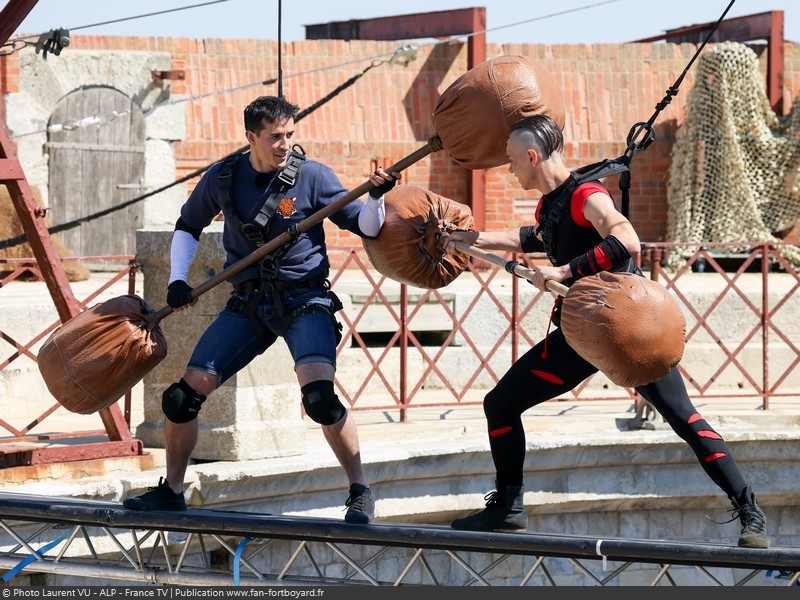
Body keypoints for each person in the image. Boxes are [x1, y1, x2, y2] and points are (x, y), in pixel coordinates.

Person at [441, 114, 769, 549]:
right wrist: (471, 238)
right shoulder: (551, 203)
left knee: (683, 418)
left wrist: (563, 271)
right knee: (500, 405)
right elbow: (534, 238)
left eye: (511, 161)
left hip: (627, 331)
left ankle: (750, 511)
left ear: (533, 156)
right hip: (582, 336)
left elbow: (626, 240)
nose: (509, 168)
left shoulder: (586, 195)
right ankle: (508, 507)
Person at [123, 95, 400, 524]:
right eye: (274, 136)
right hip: (248, 303)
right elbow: (187, 226)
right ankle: (172, 491)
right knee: (181, 398)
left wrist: (378, 198)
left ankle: (359, 490)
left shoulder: (313, 177)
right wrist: (178, 279)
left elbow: (367, 226)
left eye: (290, 134)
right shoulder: (223, 177)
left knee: (321, 399)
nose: (284, 143)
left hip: (305, 300)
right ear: (251, 137)